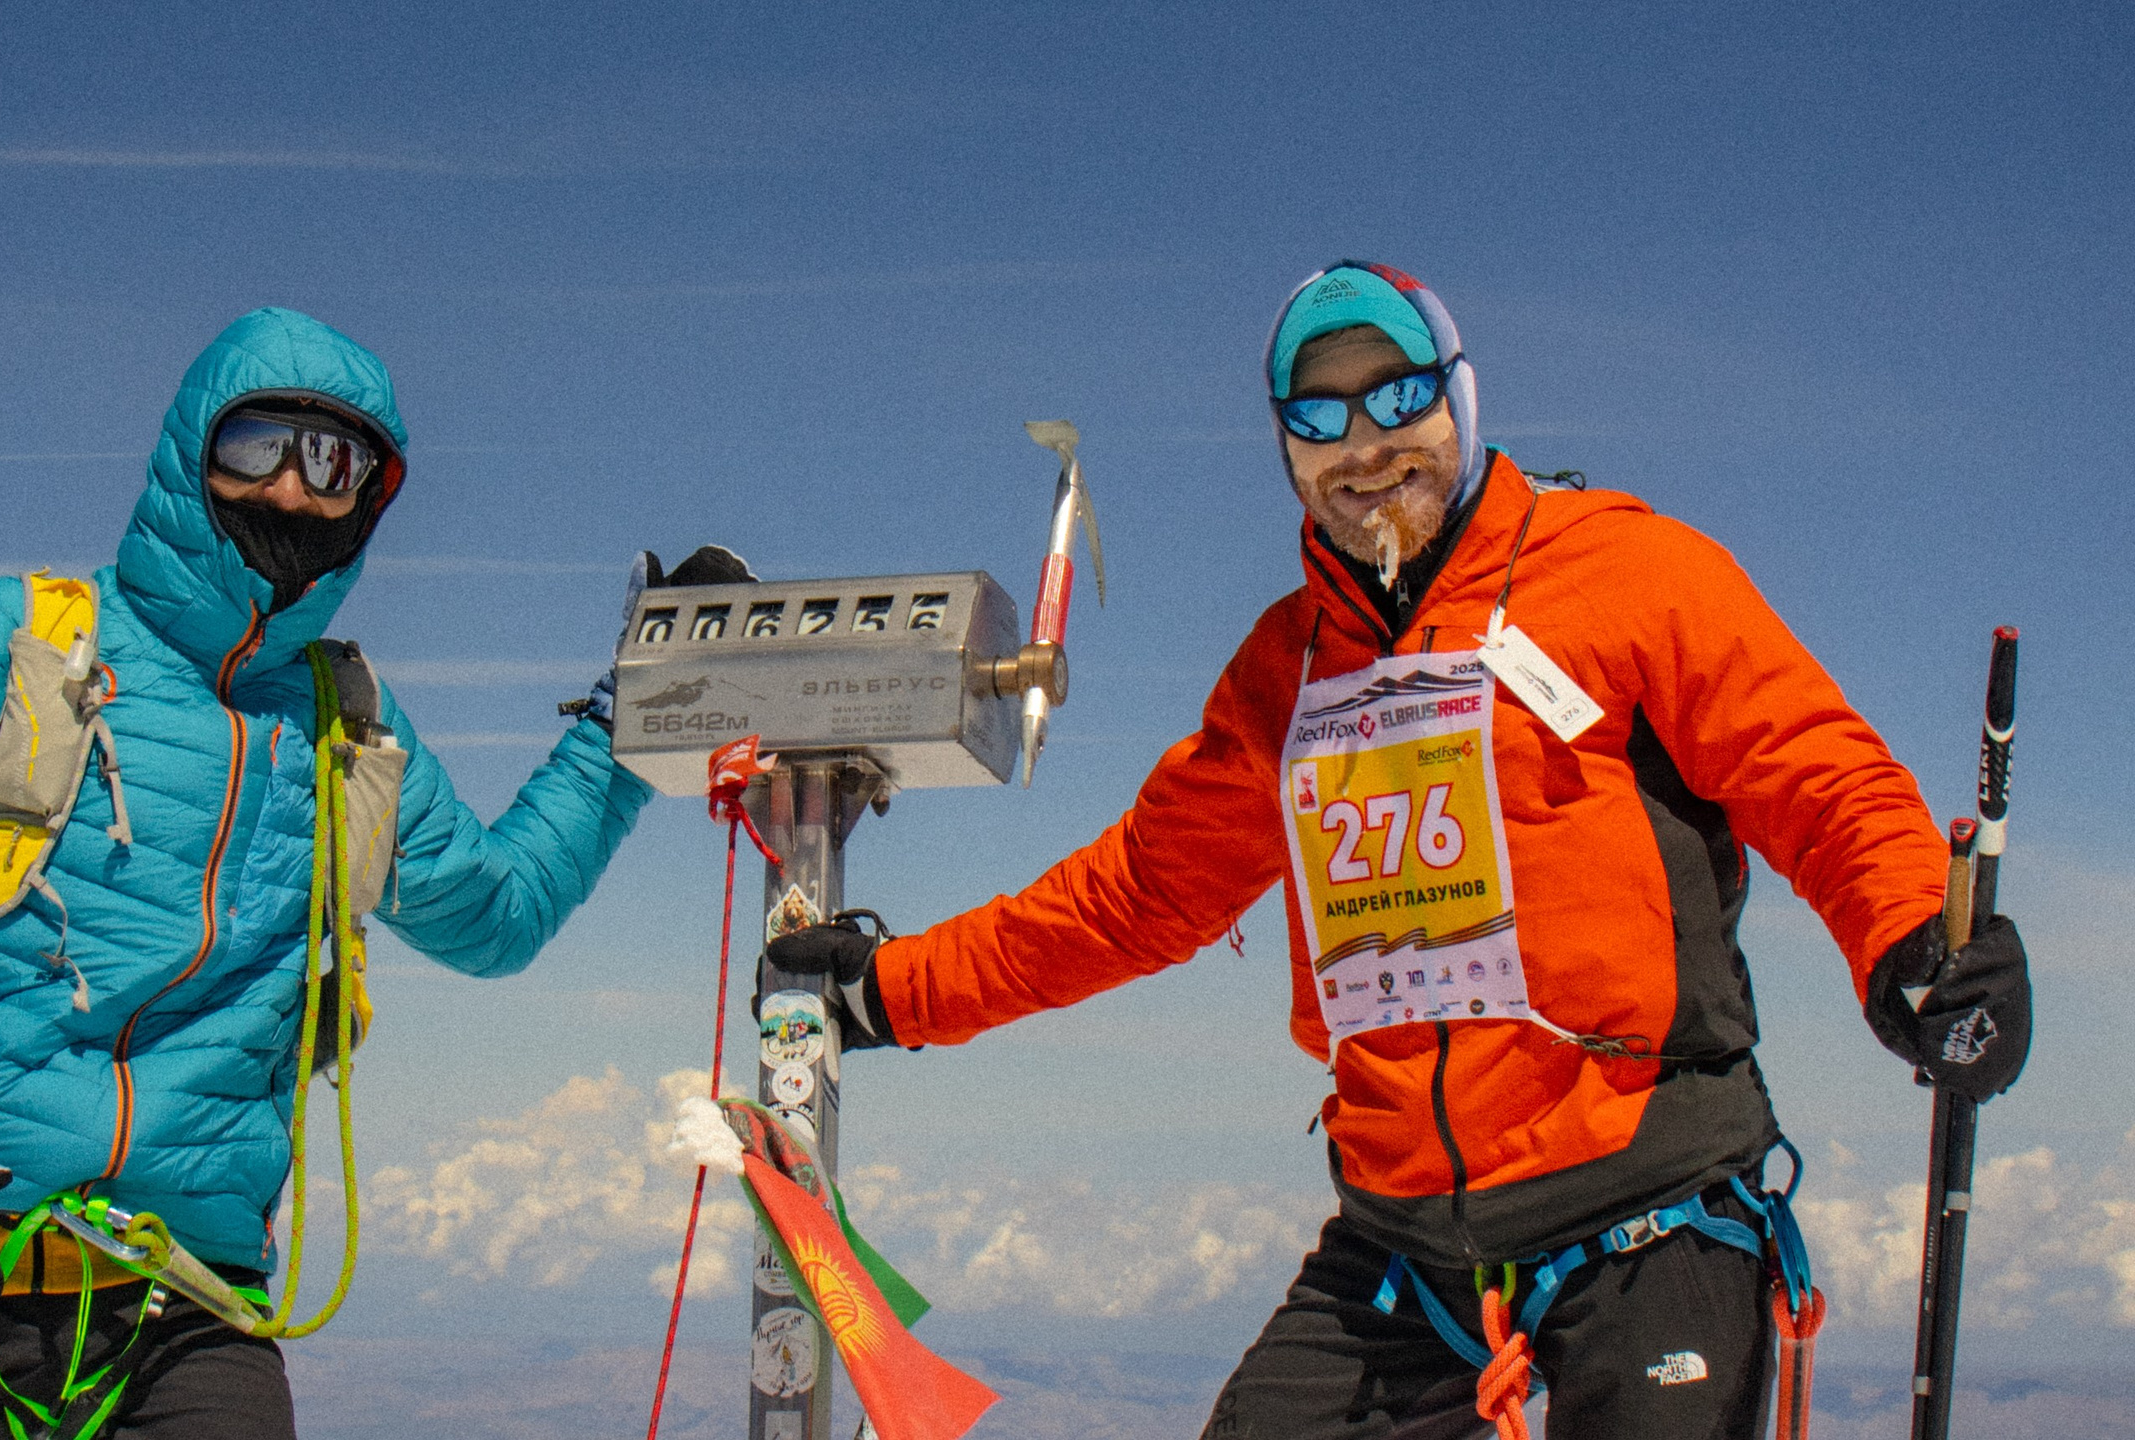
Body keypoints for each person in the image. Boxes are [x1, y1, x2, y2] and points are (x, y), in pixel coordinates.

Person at [770, 261, 2033, 1439]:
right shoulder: (1289, 668)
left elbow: (1810, 771)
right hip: (1403, 1240)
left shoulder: (1626, 574)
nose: (1365, 446)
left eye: (1399, 395)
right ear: (1283, 450)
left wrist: (1920, 936)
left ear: (1460, 398)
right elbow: (1138, 895)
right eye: (1318, 418)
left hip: (1649, 1208)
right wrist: (896, 991)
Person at [0, 306, 744, 1438]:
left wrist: (630, 722)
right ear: (189, 452)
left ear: (374, 497)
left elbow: (494, 917)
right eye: (258, 443)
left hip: (185, 1304)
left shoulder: (340, 722)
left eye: (339, 464)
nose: (293, 491)